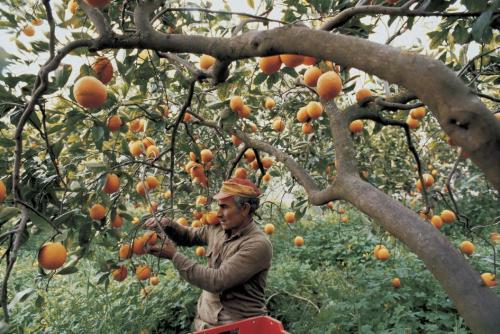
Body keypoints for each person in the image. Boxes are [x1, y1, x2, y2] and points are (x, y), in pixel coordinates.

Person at [145, 178, 273, 331]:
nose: (218, 214)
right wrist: (168, 224)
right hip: (206, 324)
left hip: (239, 327)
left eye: (224, 207)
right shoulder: (217, 229)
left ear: (244, 209)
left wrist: (174, 256)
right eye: (218, 206)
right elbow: (188, 236)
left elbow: (217, 281)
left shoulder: (257, 245)